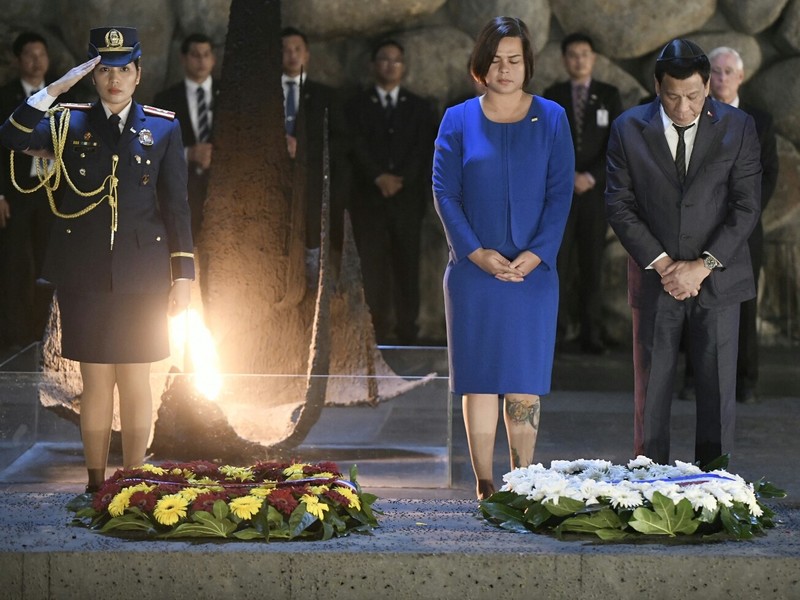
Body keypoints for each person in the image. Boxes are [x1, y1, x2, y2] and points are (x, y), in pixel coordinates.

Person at [0, 26, 195, 492]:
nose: (114, 80)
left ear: (138, 74)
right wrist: (56, 89)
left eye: (123, 70)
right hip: (84, 273)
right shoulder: (68, 122)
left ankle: (135, 484)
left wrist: (184, 273)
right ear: (92, 76)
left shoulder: (163, 126)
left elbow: (177, 205)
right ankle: (94, 485)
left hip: (144, 275)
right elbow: (10, 136)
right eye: (104, 70)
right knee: (96, 380)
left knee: (137, 380)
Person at [433, 16, 574, 499]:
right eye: (496, 60)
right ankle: (485, 483)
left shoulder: (552, 117)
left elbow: (560, 196)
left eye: (514, 60)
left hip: (534, 273)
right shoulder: (457, 118)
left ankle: (524, 478)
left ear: (527, 64)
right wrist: (475, 253)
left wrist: (536, 254)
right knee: (479, 379)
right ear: (481, 65)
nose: (505, 69)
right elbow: (445, 193)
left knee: (523, 378)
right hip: (475, 273)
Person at [605, 39, 761, 466]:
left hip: (718, 281)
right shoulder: (627, 128)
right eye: (672, 96)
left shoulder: (738, 126)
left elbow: (746, 206)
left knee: (716, 395)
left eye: (693, 96)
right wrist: (664, 264)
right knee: (651, 394)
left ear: (707, 86)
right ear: (657, 86)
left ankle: (714, 489)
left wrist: (702, 266)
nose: (683, 107)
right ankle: (648, 484)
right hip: (657, 280)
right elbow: (619, 204)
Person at [678, 46, 779, 405]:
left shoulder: (760, 120)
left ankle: (746, 381)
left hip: (744, 233)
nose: (721, 78)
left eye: (727, 72)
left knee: (744, 305)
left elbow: (769, 178)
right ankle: (693, 378)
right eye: (715, 72)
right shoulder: (691, 114)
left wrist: (742, 217)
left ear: (741, 76)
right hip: (699, 230)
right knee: (697, 303)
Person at [346, 39, 436, 344]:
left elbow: (424, 150)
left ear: (404, 67)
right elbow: (354, 146)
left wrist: (401, 179)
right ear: (373, 65)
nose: (390, 65)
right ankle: (376, 329)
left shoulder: (419, 106)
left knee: (407, 265)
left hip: (407, 200)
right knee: (372, 266)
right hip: (369, 199)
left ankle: (408, 330)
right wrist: (378, 176)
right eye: (384, 59)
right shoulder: (356, 104)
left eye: (396, 61)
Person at [544, 33, 622, 354]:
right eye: (573, 54)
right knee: (557, 263)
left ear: (593, 59)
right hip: (560, 194)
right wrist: (568, 176)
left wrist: (592, 175)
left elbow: (618, 144)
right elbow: (545, 144)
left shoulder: (608, 94)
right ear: (564, 59)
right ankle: (557, 333)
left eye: (585, 54)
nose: (579, 59)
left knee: (592, 264)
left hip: (594, 193)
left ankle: (592, 333)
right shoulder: (552, 94)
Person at [0, 32, 64, 350]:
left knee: (50, 263)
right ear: (18, 60)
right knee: (13, 261)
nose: (37, 60)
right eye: (30, 54)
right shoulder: (4, 97)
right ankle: (14, 336)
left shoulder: (63, 96)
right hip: (16, 190)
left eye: (42, 53)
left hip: (54, 191)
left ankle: (44, 334)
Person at [280, 26, 347, 285]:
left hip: (313, 189)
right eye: (285, 50)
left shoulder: (325, 96)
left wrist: (305, 150)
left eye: (297, 49)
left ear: (307, 54)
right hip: (273, 185)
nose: (292, 55)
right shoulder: (264, 96)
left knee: (313, 258)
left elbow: (342, 142)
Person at [153, 33, 218, 241]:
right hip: (183, 194)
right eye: (195, 55)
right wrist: (189, 153)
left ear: (213, 59)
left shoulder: (229, 95)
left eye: (206, 54)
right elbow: (156, 147)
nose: (201, 60)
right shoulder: (165, 100)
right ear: (183, 58)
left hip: (222, 191)